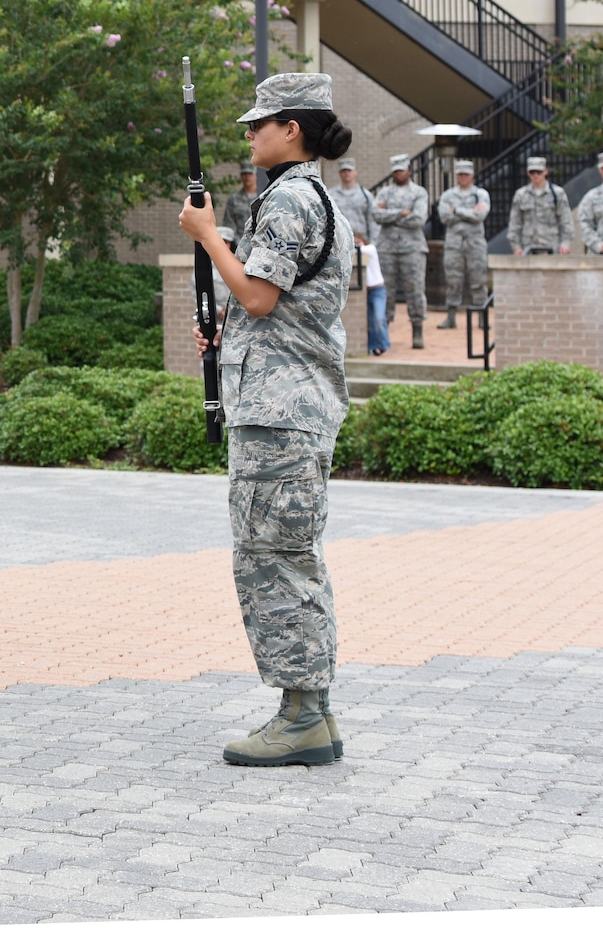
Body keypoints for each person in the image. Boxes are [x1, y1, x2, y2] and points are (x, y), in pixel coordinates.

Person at [178, 72, 355, 767]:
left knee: (277, 561)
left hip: (282, 416)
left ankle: (304, 714)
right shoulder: (307, 196)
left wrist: (207, 235)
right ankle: (308, 711)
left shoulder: (289, 201)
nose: (249, 134)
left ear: (293, 129)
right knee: (284, 556)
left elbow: (256, 295)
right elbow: (273, 309)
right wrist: (226, 339)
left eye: (260, 123)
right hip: (286, 404)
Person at [373, 153, 431, 348]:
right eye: (396, 171)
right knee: (386, 291)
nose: (399, 174)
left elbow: (419, 219)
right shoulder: (384, 192)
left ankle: (417, 330)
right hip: (387, 248)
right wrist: (401, 212)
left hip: (412, 249)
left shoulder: (419, 192)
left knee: (415, 290)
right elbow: (376, 214)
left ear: (409, 170)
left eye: (402, 170)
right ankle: (383, 332)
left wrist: (389, 214)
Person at [435, 160, 490, 328]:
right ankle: (451, 316)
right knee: (453, 280)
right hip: (454, 244)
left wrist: (457, 211)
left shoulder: (480, 194)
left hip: (476, 244)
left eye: (466, 174)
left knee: (478, 279)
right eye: (460, 174)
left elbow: (480, 215)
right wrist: (470, 213)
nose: (463, 177)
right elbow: (444, 217)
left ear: (472, 175)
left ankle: (482, 316)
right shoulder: (448, 195)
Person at [509, 156, 574, 255]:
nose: (535, 175)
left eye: (539, 172)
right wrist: (516, 246)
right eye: (532, 172)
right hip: (528, 249)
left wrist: (566, 243)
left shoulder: (557, 193)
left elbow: (566, 221)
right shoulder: (521, 195)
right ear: (528, 173)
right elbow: (515, 223)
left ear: (545, 171)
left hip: (552, 248)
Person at [328, 157, 374, 248]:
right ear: (339, 173)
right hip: (339, 243)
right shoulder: (330, 195)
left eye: (349, 170)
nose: (346, 173)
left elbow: (372, 220)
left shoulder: (365, 195)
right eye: (343, 171)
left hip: (361, 242)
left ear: (355, 172)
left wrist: (372, 244)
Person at [360, 239, 389, 356]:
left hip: (377, 289)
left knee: (379, 318)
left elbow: (360, 249)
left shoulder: (371, 249)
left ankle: (383, 344)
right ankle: (372, 346)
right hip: (366, 291)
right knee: (370, 321)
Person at [221, 163, 258, 241]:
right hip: (239, 245)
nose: (247, 177)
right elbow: (229, 225)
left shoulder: (263, 197)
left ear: (255, 175)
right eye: (244, 174)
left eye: (250, 174)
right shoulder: (234, 199)